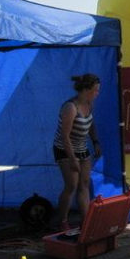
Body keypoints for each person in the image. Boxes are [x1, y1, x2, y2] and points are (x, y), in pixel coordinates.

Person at [53, 73, 101, 231]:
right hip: (65, 149)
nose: (97, 93)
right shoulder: (70, 107)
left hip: (82, 148)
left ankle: (86, 220)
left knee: (84, 184)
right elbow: (64, 136)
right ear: (86, 89)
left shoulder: (88, 104)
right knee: (71, 185)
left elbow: (91, 125)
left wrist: (95, 143)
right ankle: (63, 220)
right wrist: (72, 159)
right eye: (95, 90)